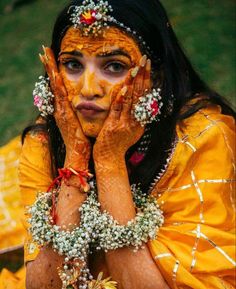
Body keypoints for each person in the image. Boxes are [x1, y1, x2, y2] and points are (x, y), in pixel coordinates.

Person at [17, 0, 236, 288]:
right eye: (72, 64)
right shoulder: (46, 141)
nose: (88, 89)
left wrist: (109, 161)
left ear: (154, 76)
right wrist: (76, 158)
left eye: (114, 66)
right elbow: (41, 285)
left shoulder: (201, 138)